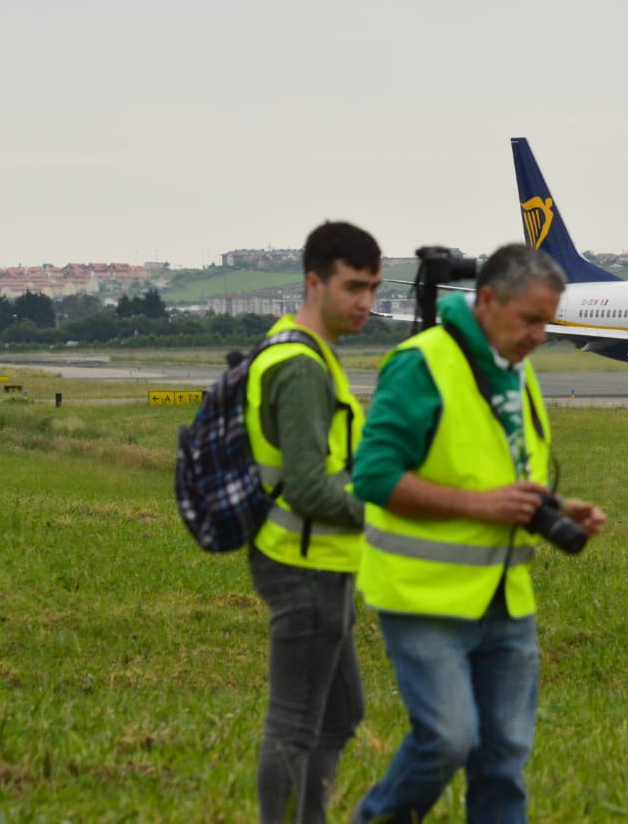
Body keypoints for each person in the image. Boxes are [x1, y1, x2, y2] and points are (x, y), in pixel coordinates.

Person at [351, 243, 606, 824]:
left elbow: (500, 473)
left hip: (504, 597)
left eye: (549, 320)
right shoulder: (422, 364)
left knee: (503, 758)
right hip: (426, 597)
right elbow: (373, 477)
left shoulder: (514, 370)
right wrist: (479, 507)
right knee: (447, 739)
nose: (542, 335)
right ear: (487, 301)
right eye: (531, 320)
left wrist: (558, 508)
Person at [246, 220, 382, 822]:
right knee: (294, 725)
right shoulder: (300, 366)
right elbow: (305, 484)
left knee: (342, 713)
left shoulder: (299, 348)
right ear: (313, 282)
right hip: (302, 566)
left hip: (322, 562)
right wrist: (381, 515)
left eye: (374, 288)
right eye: (353, 287)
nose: (366, 303)